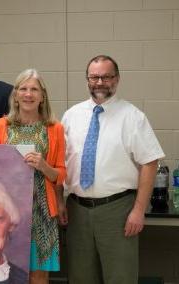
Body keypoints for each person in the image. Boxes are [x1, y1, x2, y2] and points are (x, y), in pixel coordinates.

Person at [61, 55, 165, 283]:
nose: (100, 82)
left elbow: (150, 162)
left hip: (117, 210)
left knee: (120, 277)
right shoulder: (71, 116)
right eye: (94, 77)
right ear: (87, 80)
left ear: (116, 79)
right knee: (80, 277)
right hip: (77, 209)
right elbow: (60, 163)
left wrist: (138, 210)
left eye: (106, 77)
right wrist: (61, 201)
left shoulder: (133, 117)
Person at [0, 68, 67, 284]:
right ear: (15, 95)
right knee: (5, 273)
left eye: (34, 89)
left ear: (42, 96)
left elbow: (60, 174)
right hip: (6, 212)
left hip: (42, 212)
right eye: (23, 88)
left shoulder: (55, 128)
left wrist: (43, 165)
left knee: (39, 275)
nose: (28, 94)